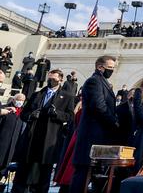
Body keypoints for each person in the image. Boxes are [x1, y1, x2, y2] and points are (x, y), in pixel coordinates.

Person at [12, 69, 75, 193]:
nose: (51, 81)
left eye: (54, 79)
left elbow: (70, 116)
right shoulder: (37, 94)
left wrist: (57, 114)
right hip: (32, 138)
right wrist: (31, 115)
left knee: (43, 172)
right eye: (49, 78)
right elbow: (24, 114)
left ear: (60, 80)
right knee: (24, 170)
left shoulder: (67, 96)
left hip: (49, 139)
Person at [70, 55, 119, 192]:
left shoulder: (103, 81)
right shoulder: (94, 81)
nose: (112, 70)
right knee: (83, 173)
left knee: (94, 174)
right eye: (109, 68)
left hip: (99, 135)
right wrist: (113, 121)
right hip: (91, 135)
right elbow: (99, 106)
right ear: (99, 67)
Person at [0, 93, 25, 172]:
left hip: (12, 145)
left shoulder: (23, 113)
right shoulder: (4, 108)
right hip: (2, 141)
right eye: (18, 100)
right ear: (14, 100)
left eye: (22, 101)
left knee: (4, 167)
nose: (20, 102)